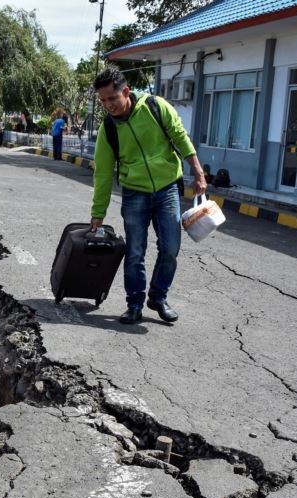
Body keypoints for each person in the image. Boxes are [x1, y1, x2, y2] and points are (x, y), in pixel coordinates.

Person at [89, 67, 207, 325]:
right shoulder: (108, 129)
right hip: (135, 194)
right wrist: (98, 213)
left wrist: (198, 172)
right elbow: (103, 174)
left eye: (112, 98)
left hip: (167, 189)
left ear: (126, 92)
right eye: (103, 101)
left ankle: (159, 296)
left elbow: (180, 137)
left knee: (170, 247)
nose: (108, 105)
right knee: (134, 251)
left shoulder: (156, 107)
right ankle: (134, 305)